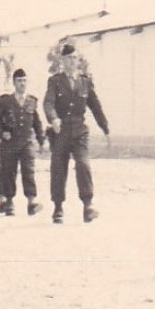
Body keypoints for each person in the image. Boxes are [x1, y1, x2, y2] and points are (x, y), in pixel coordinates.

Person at [42, 41, 109, 224]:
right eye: (69, 58)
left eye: (75, 58)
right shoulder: (55, 81)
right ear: (63, 60)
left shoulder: (85, 82)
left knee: (83, 165)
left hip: (79, 131)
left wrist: (105, 128)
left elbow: (95, 106)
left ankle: (88, 205)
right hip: (60, 132)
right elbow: (48, 102)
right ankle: (58, 207)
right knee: (58, 169)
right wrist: (53, 118)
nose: (73, 61)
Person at [0, 66, 46, 215]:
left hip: (26, 142)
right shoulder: (5, 101)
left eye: (24, 81)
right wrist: (2, 132)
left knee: (28, 171)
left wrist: (41, 140)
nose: (22, 84)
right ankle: (9, 202)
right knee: (9, 172)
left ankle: (31, 202)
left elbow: (36, 122)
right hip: (10, 143)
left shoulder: (32, 101)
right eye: (19, 81)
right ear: (14, 83)